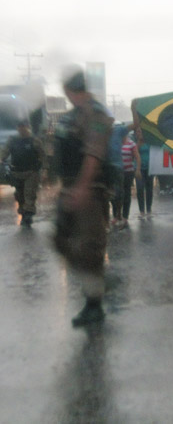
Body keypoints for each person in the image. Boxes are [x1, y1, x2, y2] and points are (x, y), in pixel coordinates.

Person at [53, 67, 113, 327]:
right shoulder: (72, 115)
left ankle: (94, 306)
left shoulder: (96, 114)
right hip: (70, 188)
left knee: (89, 248)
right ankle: (100, 283)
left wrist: (81, 188)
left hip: (89, 191)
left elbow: (93, 154)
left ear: (70, 90)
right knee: (60, 240)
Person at [1, 118, 45, 227]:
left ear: (28, 127)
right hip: (17, 172)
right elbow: (4, 152)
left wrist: (45, 170)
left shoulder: (34, 140)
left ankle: (28, 216)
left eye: (24, 126)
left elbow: (42, 156)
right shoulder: (12, 140)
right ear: (17, 127)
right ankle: (23, 212)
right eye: (20, 126)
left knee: (29, 194)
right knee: (19, 195)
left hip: (31, 172)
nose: (22, 129)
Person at [119, 132, 141, 225]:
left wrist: (138, 169)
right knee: (117, 194)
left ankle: (125, 216)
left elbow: (137, 157)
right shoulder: (115, 143)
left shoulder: (131, 143)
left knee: (126, 193)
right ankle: (117, 214)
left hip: (128, 172)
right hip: (117, 172)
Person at [135, 131, 154, 218]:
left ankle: (149, 209)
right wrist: (139, 142)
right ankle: (142, 211)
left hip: (150, 168)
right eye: (139, 132)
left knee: (149, 189)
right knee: (139, 188)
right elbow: (135, 152)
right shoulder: (136, 143)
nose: (140, 134)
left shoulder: (150, 142)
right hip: (139, 169)